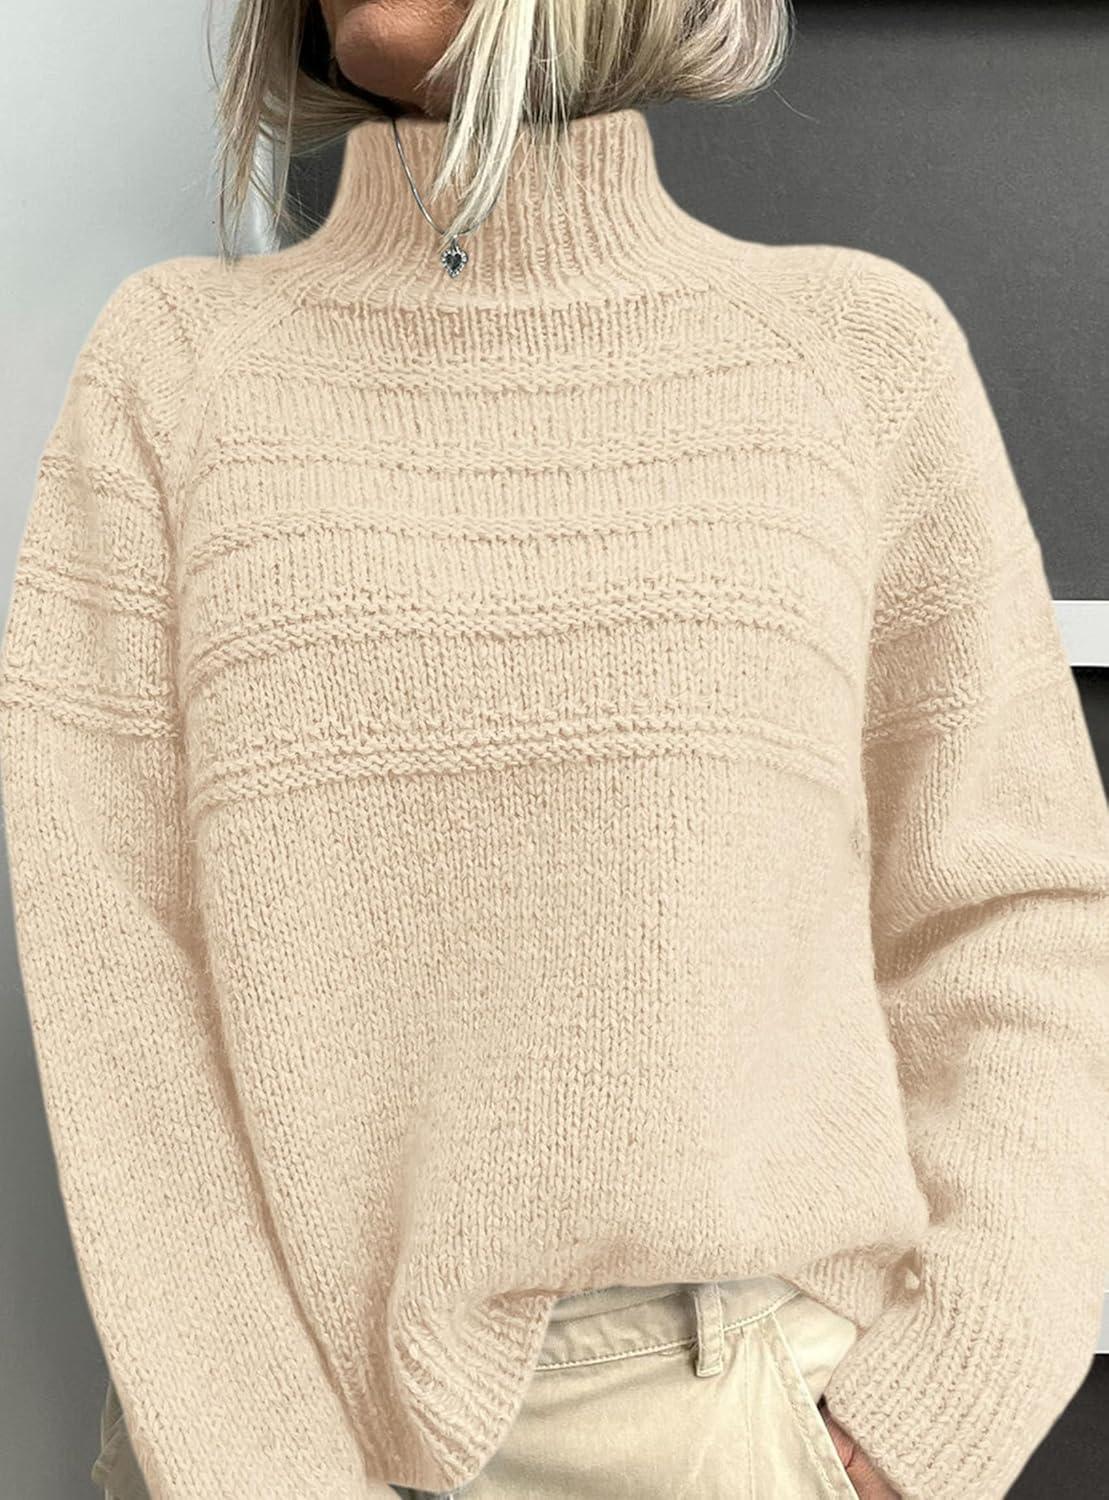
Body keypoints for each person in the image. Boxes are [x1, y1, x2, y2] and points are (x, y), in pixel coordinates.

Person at [1, 2, 1106, 1497]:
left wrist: (928, 1414)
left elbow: (1013, 912)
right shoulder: (176, 368)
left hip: (735, 1415)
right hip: (261, 1432)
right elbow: (117, 976)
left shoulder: (850, 354)